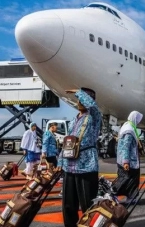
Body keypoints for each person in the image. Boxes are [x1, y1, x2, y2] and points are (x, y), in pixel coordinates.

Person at [57, 88, 101, 227]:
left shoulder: (94, 117)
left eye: (82, 99)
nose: (79, 102)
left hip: (86, 167)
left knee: (88, 205)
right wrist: (60, 162)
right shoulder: (73, 120)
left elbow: (93, 107)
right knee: (68, 205)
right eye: (79, 99)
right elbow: (67, 143)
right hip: (69, 167)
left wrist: (79, 91)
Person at [113, 111, 143, 204]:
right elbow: (126, 146)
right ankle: (114, 193)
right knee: (126, 179)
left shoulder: (126, 126)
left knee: (129, 179)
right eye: (138, 119)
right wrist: (126, 161)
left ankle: (130, 197)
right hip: (129, 160)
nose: (138, 122)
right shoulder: (129, 130)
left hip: (125, 159)